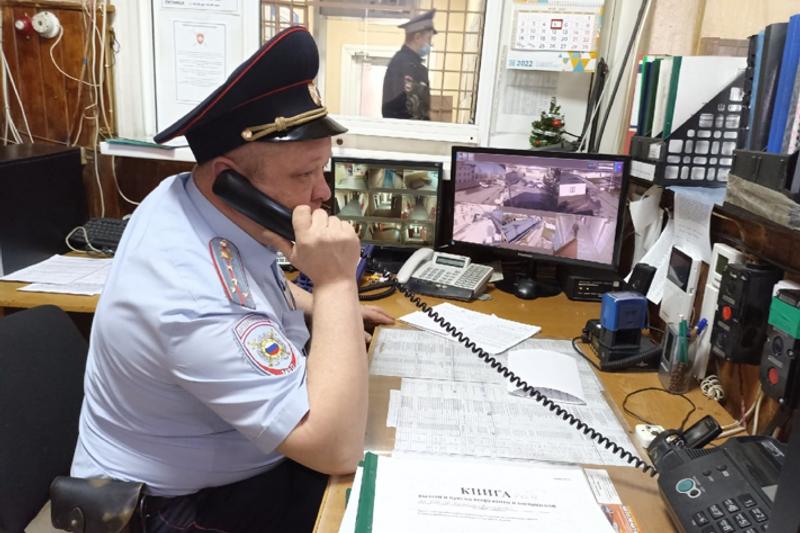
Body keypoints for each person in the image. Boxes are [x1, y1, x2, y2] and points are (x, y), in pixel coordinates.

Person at [70, 26, 393, 532]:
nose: (324, 193)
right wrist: (334, 285)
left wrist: (320, 308)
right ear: (231, 180)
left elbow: (247, 279)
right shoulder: (186, 296)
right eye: (304, 175)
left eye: (322, 170)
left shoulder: (189, 195)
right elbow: (335, 449)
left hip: (238, 467)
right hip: (176, 507)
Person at [381, 9, 437, 120]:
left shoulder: (412, 64)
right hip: (404, 128)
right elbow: (403, 108)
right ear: (417, 37)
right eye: (429, 39)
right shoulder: (403, 64)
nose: (430, 44)